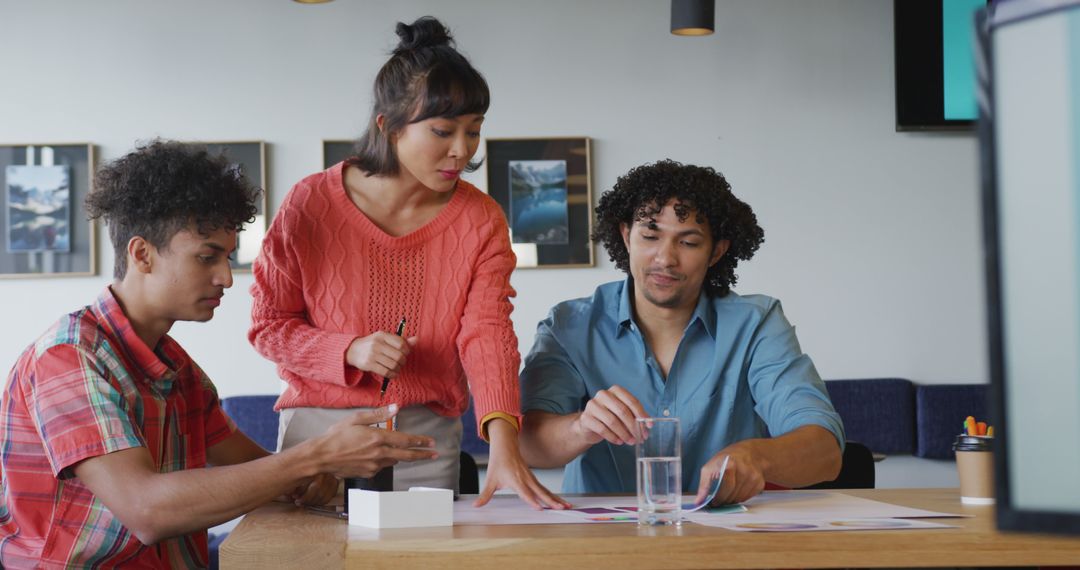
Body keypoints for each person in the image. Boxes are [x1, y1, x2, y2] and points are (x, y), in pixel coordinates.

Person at [0, 140, 437, 568]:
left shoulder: (180, 371)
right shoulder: (68, 358)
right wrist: (315, 456)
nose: (226, 278)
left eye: (227, 257)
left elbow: (256, 469)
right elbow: (148, 511)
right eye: (207, 257)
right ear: (142, 254)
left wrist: (313, 477)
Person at [248, 16, 566, 509]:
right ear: (388, 127)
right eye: (442, 131)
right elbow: (268, 327)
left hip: (423, 439)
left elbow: (487, 333)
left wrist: (504, 445)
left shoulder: (480, 220)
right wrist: (348, 350)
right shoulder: (309, 203)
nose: (461, 150)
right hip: (320, 433)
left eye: (473, 131)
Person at [518, 159, 845, 505]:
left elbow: (825, 451)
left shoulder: (757, 324)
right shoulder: (570, 325)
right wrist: (581, 428)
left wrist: (757, 457)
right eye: (650, 236)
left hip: (722, 543)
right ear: (626, 236)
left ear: (716, 251)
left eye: (688, 243)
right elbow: (526, 444)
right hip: (605, 543)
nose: (665, 259)